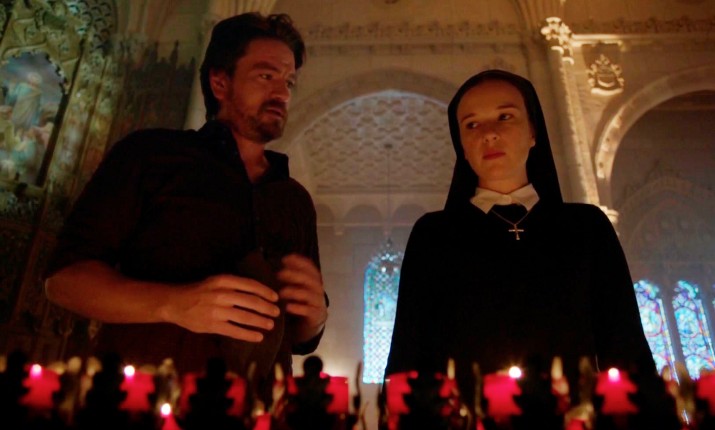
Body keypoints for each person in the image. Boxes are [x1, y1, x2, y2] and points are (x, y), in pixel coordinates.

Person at [44, 13, 328, 386]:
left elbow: (301, 336)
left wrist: (315, 316)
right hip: (145, 398)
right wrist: (173, 304)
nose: (283, 93)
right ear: (220, 82)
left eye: (289, 82)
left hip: (256, 406)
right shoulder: (150, 156)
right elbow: (64, 281)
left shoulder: (294, 201)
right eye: (266, 76)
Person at [384, 69, 655, 406]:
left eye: (505, 117)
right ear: (461, 146)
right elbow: (410, 356)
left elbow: (625, 345)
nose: (489, 134)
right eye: (472, 124)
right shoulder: (433, 236)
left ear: (533, 132)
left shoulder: (586, 227)